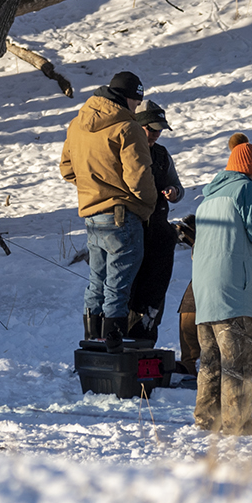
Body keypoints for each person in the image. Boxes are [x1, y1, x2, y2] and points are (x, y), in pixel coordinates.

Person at [189, 140, 252, 436]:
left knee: (211, 362)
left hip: (204, 292)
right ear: (251, 171)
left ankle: (207, 419)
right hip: (233, 289)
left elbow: (236, 244)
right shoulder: (245, 189)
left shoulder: (208, 200)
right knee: (240, 361)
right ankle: (238, 423)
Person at [60, 70, 155, 351]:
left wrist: (93, 187)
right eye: (136, 104)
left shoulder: (77, 124)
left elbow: (67, 169)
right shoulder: (128, 128)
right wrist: (147, 206)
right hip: (122, 216)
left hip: (92, 216)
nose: (137, 110)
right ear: (128, 98)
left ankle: (92, 344)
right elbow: (138, 178)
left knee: (96, 281)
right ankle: (113, 349)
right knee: (117, 285)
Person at [126, 100, 184, 343]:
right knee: (129, 289)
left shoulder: (161, 154)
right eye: (152, 129)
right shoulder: (126, 148)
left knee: (155, 291)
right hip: (131, 228)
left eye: (160, 130)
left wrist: (173, 191)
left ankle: (146, 339)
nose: (156, 135)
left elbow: (178, 188)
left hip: (159, 231)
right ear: (139, 126)